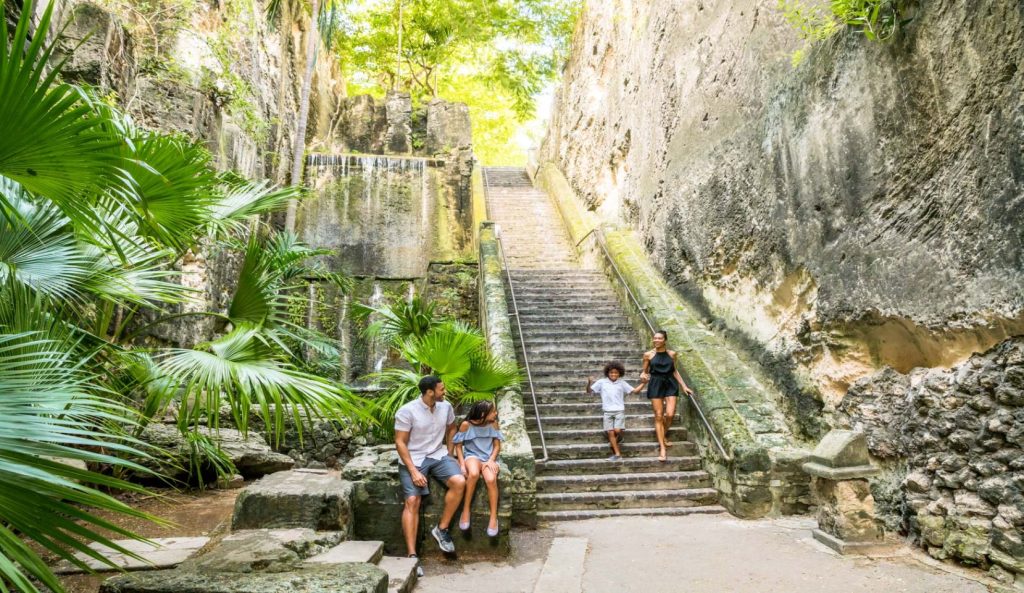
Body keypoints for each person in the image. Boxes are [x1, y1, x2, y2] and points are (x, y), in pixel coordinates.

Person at [394, 375, 466, 565]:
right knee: (412, 500)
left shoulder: (446, 407)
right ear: (429, 392)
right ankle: (412, 556)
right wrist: (414, 471)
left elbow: (452, 429)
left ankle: (441, 529)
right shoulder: (407, 411)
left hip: (439, 455)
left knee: (459, 481)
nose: (445, 392)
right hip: (414, 458)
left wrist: (450, 454)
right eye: (442, 389)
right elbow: (400, 442)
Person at [640, 330, 694, 462]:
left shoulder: (672, 354)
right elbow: (644, 372)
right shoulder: (648, 355)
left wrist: (684, 386)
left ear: (665, 340)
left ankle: (663, 434)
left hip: (670, 383)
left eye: (659, 338)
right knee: (659, 415)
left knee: (670, 414)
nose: (656, 340)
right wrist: (642, 375)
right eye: (655, 338)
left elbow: (674, 370)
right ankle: (662, 448)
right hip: (656, 383)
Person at [453, 400, 503, 536]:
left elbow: (497, 446)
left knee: (491, 479)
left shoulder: (493, 424)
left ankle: (493, 517)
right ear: (482, 414)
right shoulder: (466, 425)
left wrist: (491, 460)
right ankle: (466, 509)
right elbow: (458, 446)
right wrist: (462, 465)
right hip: (472, 456)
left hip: (488, 458)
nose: (496, 413)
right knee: (473, 474)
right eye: (493, 411)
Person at [586, 361, 646, 461]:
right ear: (607, 373)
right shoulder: (602, 382)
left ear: (620, 373)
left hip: (619, 410)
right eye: (611, 372)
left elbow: (635, 391)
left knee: (617, 430)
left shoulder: (622, 383)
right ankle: (617, 455)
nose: (614, 374)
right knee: (610, 432)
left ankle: (619, 438)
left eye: (616, 373)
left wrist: (644, 383)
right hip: (607, 411)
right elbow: (589, 391)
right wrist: (589, 383)